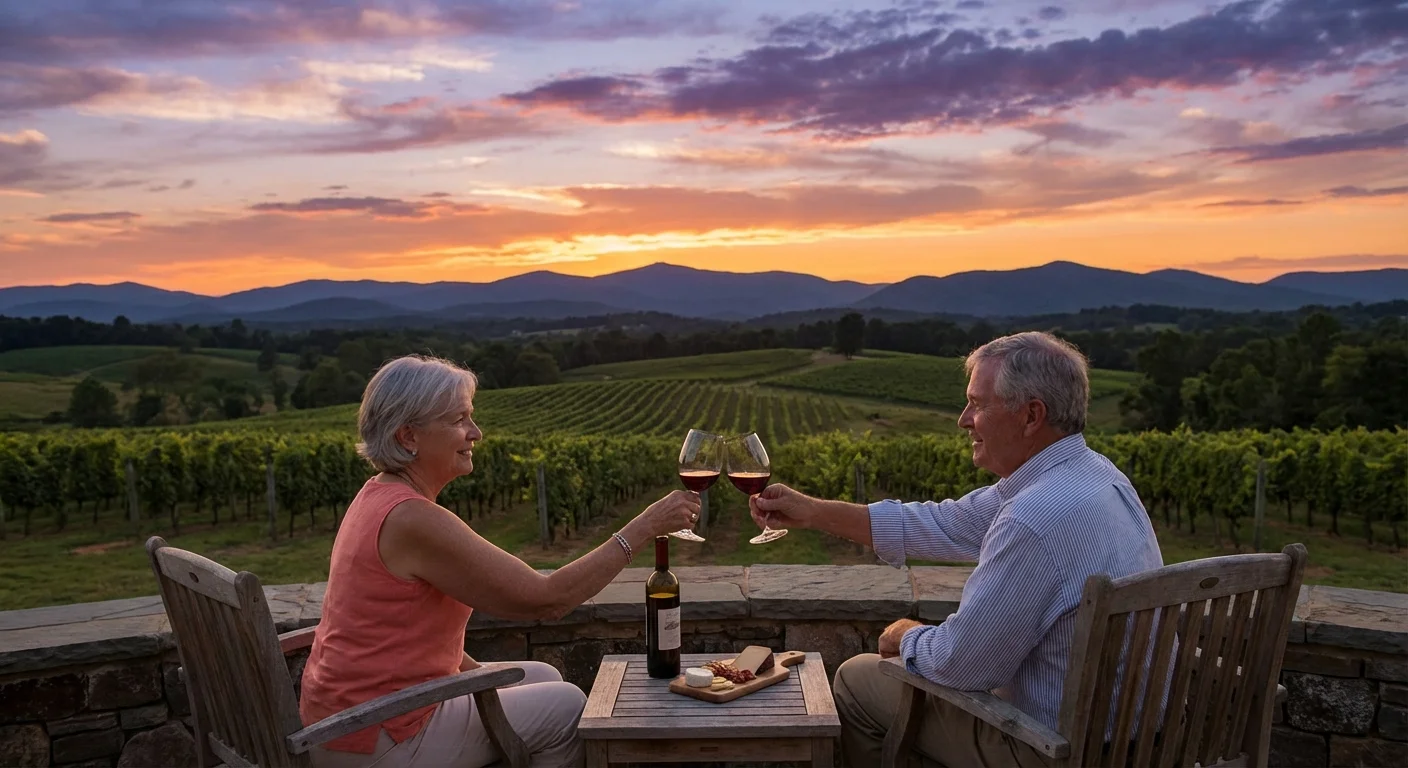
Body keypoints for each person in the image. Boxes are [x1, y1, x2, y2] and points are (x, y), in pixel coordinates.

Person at [750, 331, 1163, 767]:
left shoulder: (1034, 518)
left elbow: (963, 666)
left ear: (1031, 415)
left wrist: (906, 634)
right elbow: (940, 523)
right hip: (1145, 739)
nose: (964, 419)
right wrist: (812, 511)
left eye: (979, 404)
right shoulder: (1098, 477)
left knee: (857, 679)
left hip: (1053, 750)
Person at [300, 354, 700, 768]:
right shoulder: (411, 518)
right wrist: (644, 526)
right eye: (459, 420)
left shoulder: (377, 495)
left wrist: (475, 676)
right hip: (378, 734)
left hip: (354, 718)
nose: (476, 432)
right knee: (566, 706)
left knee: (544, 677)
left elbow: (396, 633)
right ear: (408, 437)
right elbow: (547, 599)